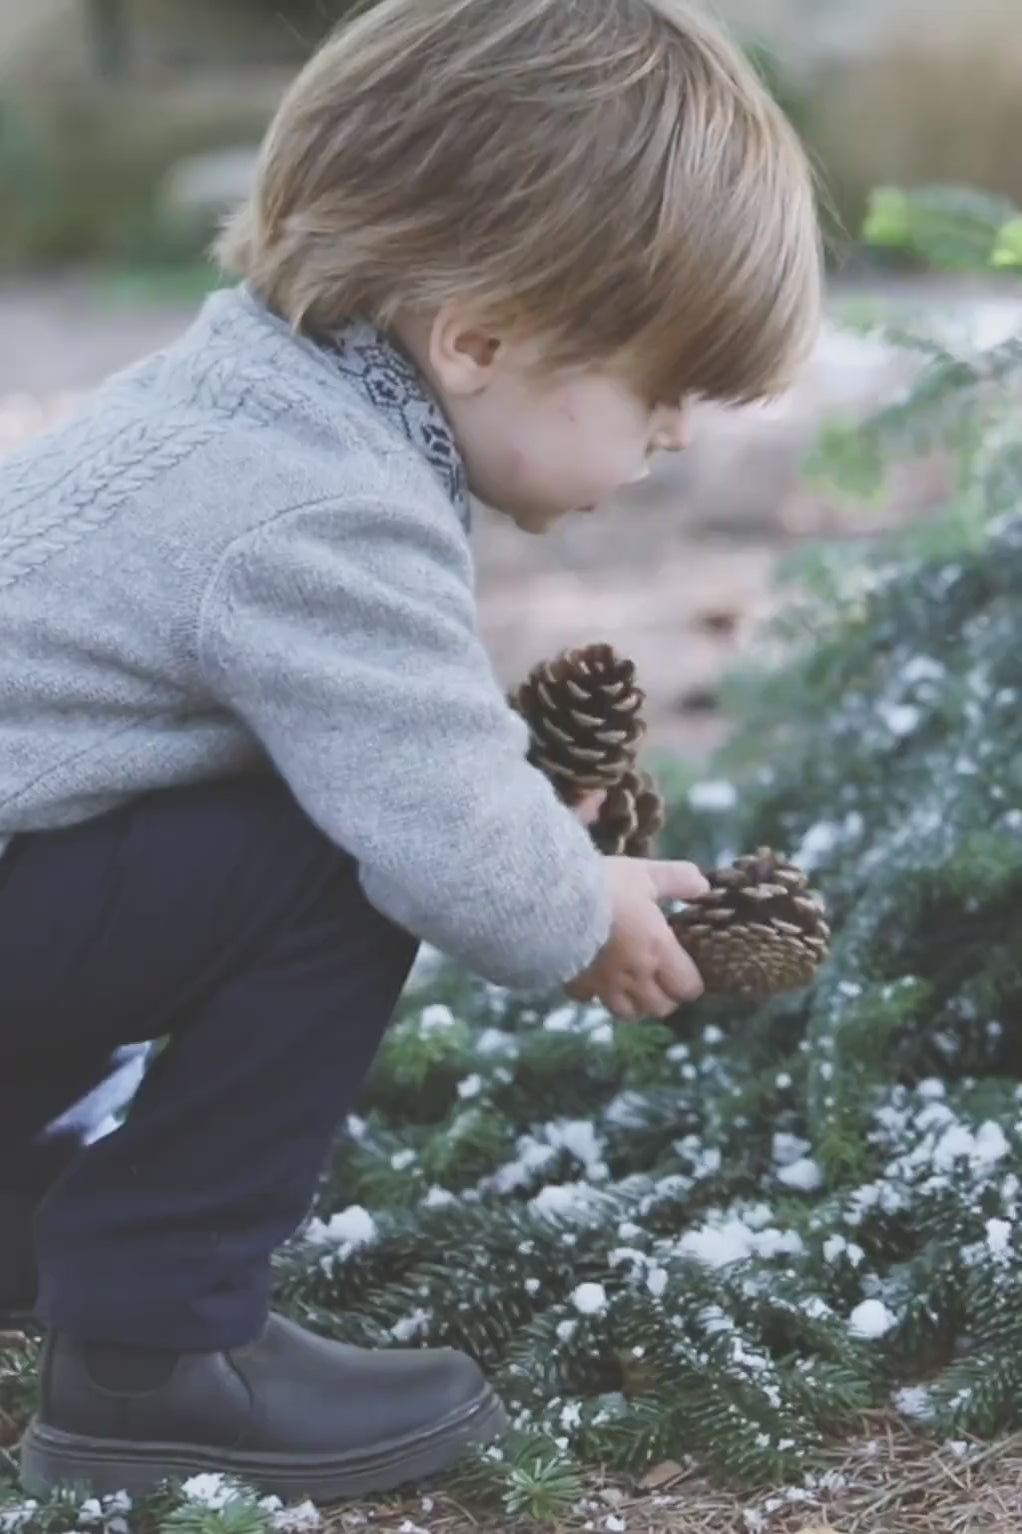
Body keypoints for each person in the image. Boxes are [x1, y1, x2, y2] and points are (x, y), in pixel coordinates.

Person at [0, 0, 822, 1503]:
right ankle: (151, 1350)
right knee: (335, 852)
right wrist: (579, 913)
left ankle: (29, 1206)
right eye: (660, 390)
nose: (677, 441)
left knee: (288, 812)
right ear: (481, 338)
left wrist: (533, 834)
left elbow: (395, 736)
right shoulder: (323, 505)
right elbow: (435, 821)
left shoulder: (245, 402)